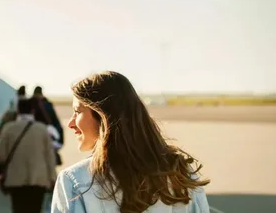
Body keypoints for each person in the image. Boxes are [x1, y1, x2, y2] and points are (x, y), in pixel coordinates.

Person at [51, 71, 211, 213]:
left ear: (103, 115)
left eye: (77, 112)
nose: (70, 123)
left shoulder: (75, 181)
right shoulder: (181, 173)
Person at [0, 98, 57, 213]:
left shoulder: (9, 128)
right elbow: (50, 157)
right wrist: (52, 178)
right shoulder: (42, 129)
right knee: (35, 210)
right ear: (33, 111)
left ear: (18, 111)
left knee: (19, 209)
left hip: (16, 179)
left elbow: (1, 155)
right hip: (39, 179)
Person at [30, 86, 65, 165]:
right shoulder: (47, 104)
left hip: (34, 137)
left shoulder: (30, 105)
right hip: (49, 137)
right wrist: (59, 141)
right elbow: (56, 122)